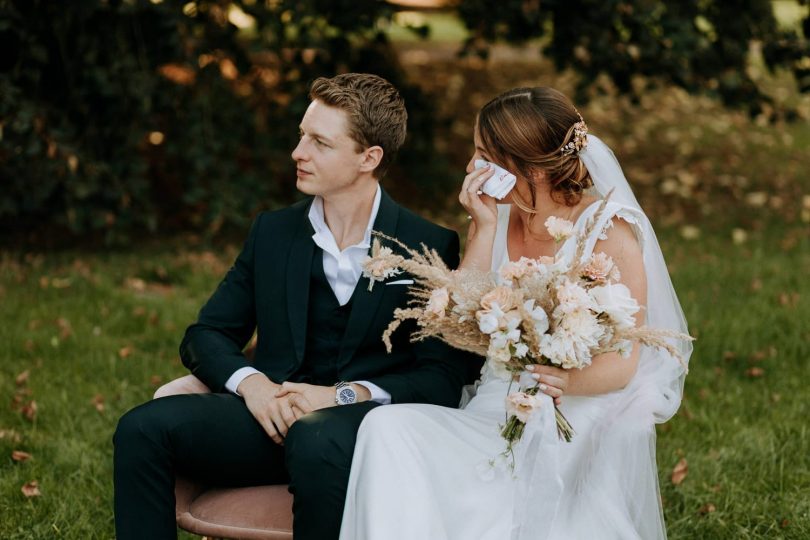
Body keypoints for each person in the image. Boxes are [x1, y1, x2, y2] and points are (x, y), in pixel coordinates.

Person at [112, 73, 469, 540]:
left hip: (361, 434)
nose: (298, 152)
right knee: (141, 430)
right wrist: (254, 386)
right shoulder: (273, 232)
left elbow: (441, 378)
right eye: (302, 135)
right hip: (267, 420)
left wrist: (341, 396)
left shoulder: (427, 245)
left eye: (320, 142)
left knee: (315, 438)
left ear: (369, 157)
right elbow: (207, 334)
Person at [339, 87, 693, 540]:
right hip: (495, 401)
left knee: (509, 477)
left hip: (571, 407)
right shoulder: (499, 216)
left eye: (484, 156)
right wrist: (483, 227)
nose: (471, 168)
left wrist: (561, 381)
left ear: (529, 168)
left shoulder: (607, 229)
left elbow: (625, 362)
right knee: (386, 427)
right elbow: (458, 317)